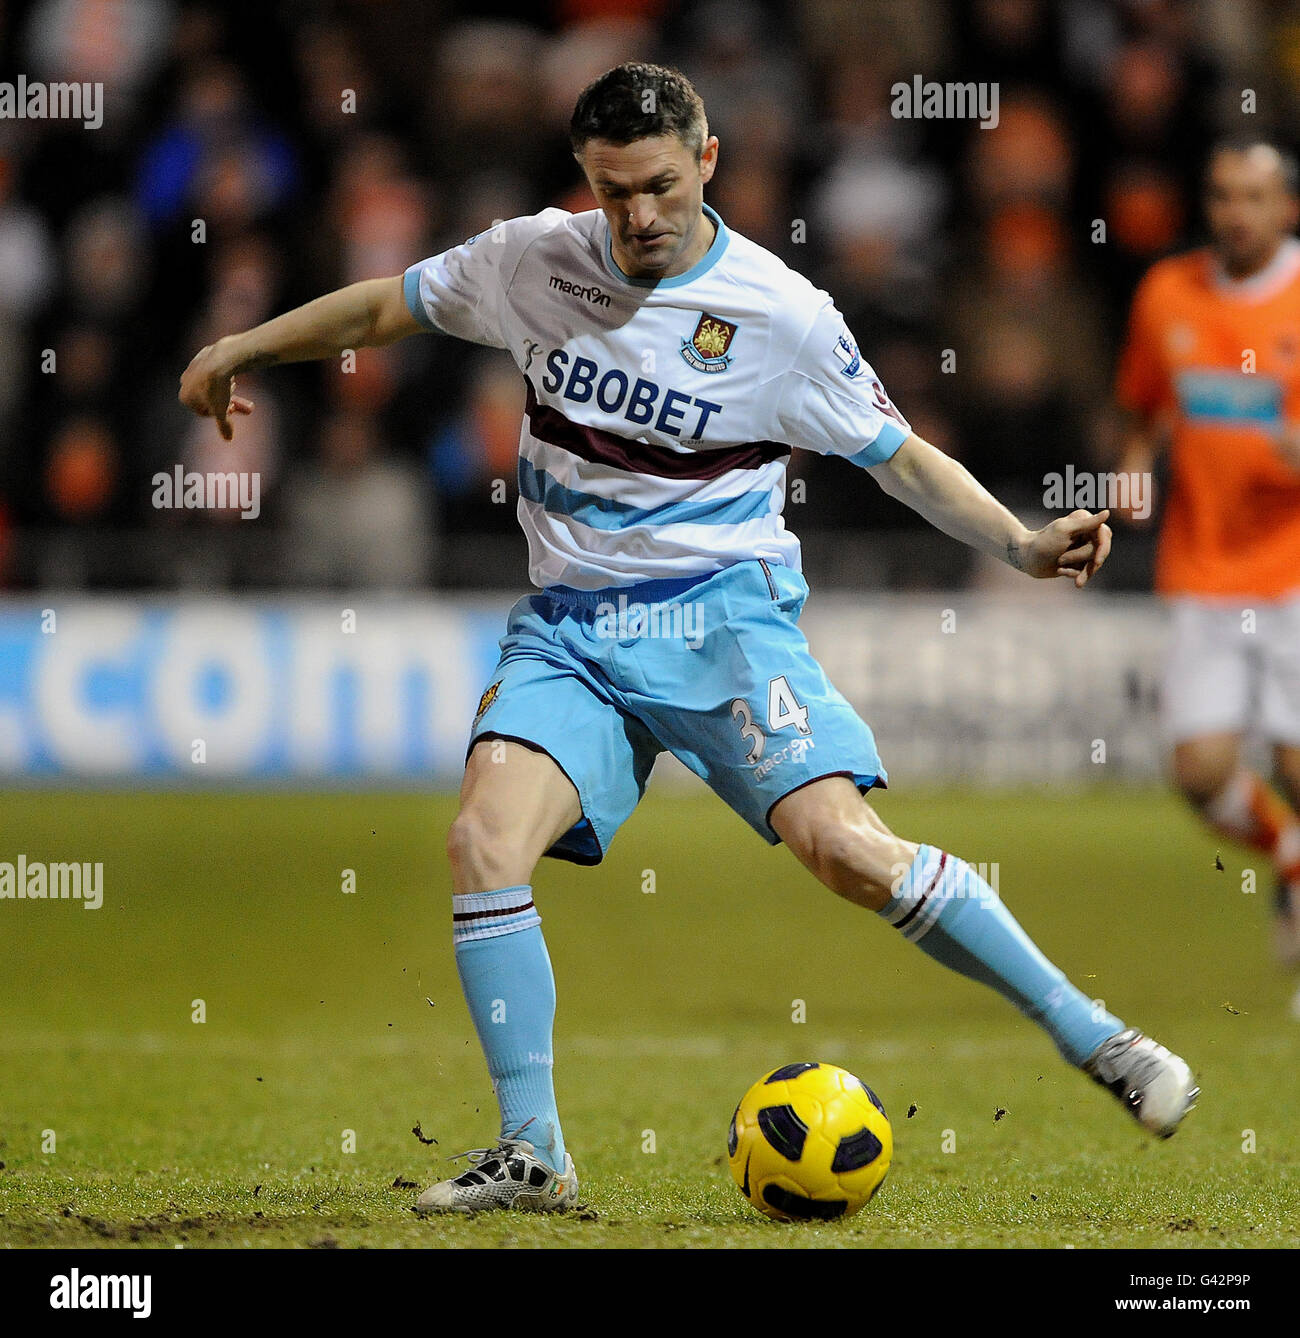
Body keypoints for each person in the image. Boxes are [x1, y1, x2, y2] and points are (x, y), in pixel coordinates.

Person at [180, 63, 1197, 1216]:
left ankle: (1098, 1040)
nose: (639, 215)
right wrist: (241, 348)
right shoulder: (533, 259)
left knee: (846, 853)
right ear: (587, 181)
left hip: (721, 623)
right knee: (480, 844)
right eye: (613, 192)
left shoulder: (783, 317)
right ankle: (535, 1152)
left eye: (660, 185)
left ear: (706, 163)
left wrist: (1016, 544)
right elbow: (385, 309)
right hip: (570, 634)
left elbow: (900, 456)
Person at [1116, 138, 1300, 1007]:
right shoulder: (1167, 293)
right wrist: (1133, 461)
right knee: (1198, 772)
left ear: (1288, 209)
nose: (1237, 212)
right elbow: (1144, 401)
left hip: (1295, 570)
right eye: (1224, 194)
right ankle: (1289, 855)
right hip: (1203, 567)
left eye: (1256, 196)